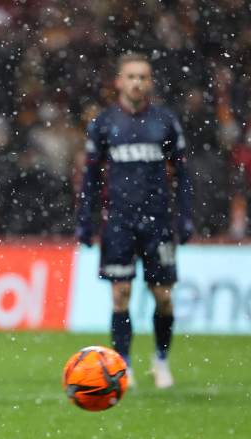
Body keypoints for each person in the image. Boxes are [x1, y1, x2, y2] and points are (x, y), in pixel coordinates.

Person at [76, 53, 194, 389]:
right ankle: (122, 365)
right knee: (120, 295)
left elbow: (183, 173)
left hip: (157, 222)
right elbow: (90, 177)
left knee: (164, 297)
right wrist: (84, 219)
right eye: (131, 76)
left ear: (150, 82)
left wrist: (184, 216)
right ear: (119, 81)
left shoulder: (166, 122)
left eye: (143, 77)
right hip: (119, 222)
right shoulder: (103, 123)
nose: (137, 82)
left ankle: (160, 360)